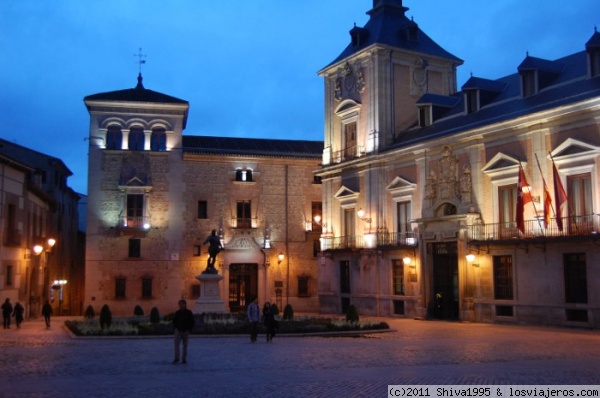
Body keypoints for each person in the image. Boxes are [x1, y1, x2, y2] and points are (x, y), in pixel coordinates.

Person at [172, 299, 195, 364]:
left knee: (185, 346)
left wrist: (189, 329)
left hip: (186, 331)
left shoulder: (189, 312)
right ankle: (177, 358)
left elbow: (192, 322)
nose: (181, 305)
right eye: (180, 304)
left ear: (185, 305)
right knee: (176, 345)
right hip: (178, 330)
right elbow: (174, 321)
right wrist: (176, 328)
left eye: (182, 304)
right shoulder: (177, 313)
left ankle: (184, 359)